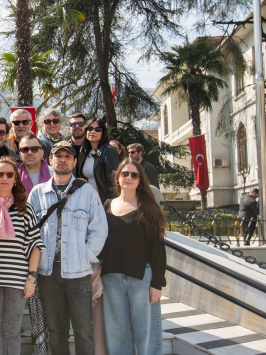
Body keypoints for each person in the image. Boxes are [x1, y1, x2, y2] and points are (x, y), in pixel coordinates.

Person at [30, 141, 108, 355]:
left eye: (67, 156)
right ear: (51, 161)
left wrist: (85, 256)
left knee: (83, 329)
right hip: (48, 272)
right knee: (56, 329)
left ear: (74, 162)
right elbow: (30, 231)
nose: (62, 160)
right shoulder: (37, 193)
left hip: (78, 272)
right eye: (58, 156)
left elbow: (99, 229)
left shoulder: (88, 192)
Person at [100, 159, 167, 355]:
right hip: (111, 278)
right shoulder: (106, 206)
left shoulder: (149, 209)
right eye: (124, 174)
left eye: (134, 175)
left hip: (141, 278)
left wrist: (157, 283)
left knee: (145, 333)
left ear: (140, 180)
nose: (128, 177)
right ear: (118, 178)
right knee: (116, 333)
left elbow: (158, 249)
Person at [0, 157, 44, 355]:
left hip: (17, 280)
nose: (5, 178)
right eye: (0, 174)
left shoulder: (25, 209)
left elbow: (35, 245)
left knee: (12, 331)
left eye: (9, 174)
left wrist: (31, 278)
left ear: (16, 179)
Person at [76, 117, 121, 203]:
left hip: (104, 202)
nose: (92, 132)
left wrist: (110, 205)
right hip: (87, 200)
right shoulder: (84, 152)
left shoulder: (109, 151)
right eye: (89, 129)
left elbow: (114, 183)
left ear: (103, 132)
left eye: (97, 129)